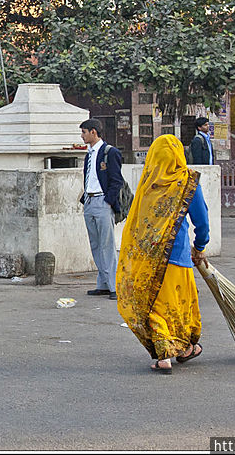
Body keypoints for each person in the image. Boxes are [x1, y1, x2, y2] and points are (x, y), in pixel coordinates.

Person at [116, 134, 209, 374]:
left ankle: (164, 355)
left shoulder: (149, 185)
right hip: (179, 257)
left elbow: (137, 224)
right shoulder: (188, 183)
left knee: (156, 307)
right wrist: (199, 247)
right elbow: (202, 221)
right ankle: (187, 346)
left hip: (150, 260)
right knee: (180, 305)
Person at [78, 118, 125, 299]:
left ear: (93, 132)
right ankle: (103, 283)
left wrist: (108, 201)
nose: (82, 136)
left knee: (107, 245)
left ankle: (114, 286)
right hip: (90, 200)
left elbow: (116, 180)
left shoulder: (109, 152)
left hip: (102, 201)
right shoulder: (89, 154)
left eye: (84, 132)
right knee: (96, 244)